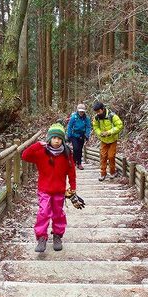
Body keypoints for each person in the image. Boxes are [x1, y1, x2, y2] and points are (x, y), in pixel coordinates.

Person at [21, 123, 77, 252]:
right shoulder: (41, 152)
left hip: (59, 190)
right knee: (43, 213)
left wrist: (73, 187)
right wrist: (35, 145)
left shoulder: (66, 153)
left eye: (59, 138)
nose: (56, 141)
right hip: (44, 189)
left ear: (62, 139)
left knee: (58, 214)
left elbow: (71, 171)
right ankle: (41, 238)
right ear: (49, 139)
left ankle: (57, 235)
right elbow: (24, 156)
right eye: (54, 138)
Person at [92, 101, 123, 181]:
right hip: (104, 140)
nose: (98, 113)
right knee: (103, 156)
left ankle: (112, 172)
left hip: (112, 139)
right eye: (96, 112)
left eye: (99, 111)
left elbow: (119, 125)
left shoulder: (112, 116)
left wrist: (109, 132)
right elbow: (95, 127)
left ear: (103, 109)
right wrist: (100, 133)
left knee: (111, 156)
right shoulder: (96, 118)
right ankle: (103, 173)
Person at [66, 103, 92, 170]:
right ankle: (74, 162)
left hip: (82, 136)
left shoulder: (86, 118)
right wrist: (69, 135)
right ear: (77, 110)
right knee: (75, 149)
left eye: (82, 111)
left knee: (80, 150)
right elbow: (69, 126)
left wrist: (87, 135)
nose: (81, 112)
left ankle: (79, 163)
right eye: (80, 111)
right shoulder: (73, 117)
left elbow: (88, 127)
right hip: (74, 135)